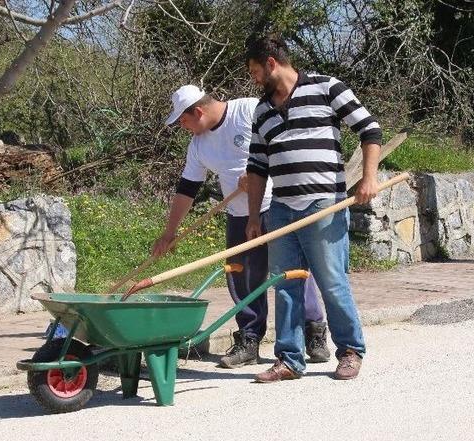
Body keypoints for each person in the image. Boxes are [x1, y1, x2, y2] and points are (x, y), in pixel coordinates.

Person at [153, 84, 331, 368]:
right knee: (242, 276)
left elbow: (287, 142)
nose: (182, 126)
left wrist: (262, 172)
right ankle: (249, 339)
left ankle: (314, 332)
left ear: (198, 111)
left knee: (293, 270)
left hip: (278, 205)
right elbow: (187, 187)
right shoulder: (198, 145)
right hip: (238, 214)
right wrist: (170, 231)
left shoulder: (248, 110)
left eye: (183, 120)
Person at [243, 35, 382, 382]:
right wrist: (252, 218)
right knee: (285, 284)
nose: (255, 79)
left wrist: (368, 179)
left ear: (272, 63)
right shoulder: (262, 111)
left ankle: (350, 351)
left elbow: (369, 129)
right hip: (282, 209)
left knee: (332, 281)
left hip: (325, 205)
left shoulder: (327, 88)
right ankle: (289, 360)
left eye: (256, 71)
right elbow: (257, 167)